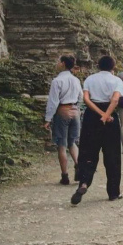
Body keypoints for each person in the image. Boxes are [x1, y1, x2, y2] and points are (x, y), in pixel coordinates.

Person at [72, 55, 123, 205]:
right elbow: (115, 99)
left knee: (88, 152)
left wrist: (100, 114)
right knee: (112, 155)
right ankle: (113, 192)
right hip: (110, 116)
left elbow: (86, 99)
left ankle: (84, 183)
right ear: (113, 67)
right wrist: (106, 115)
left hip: (91, 116)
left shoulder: (90, 79)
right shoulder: (116, 80)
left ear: (98, 65)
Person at [44, 54, 82, 185]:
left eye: (59, 61)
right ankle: (78, 166)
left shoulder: (57, 81)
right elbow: (81, 97)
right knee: (73, 142)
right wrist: (77, 108)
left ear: (63, 64)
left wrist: (48, 119)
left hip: (62, 111)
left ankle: (65, 176)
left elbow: (53, 102)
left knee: (62, 144)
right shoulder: (76, 80)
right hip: (75, 111)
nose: (57, 63)